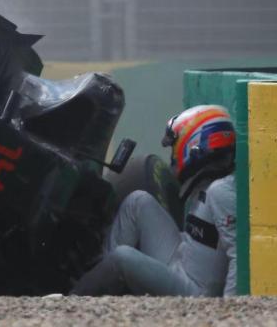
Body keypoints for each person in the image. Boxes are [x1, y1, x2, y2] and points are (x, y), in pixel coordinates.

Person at [71, 105, 237, 297]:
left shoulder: (220, 192)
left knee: (122, 256)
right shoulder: (205, 183)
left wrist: (230, 308)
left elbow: (238, 255)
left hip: (193, 290)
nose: (173, 155)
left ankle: (77, 298)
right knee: (138, 201)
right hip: (182, 258)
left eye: (175, 147)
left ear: (194, 146)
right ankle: (98, 276)